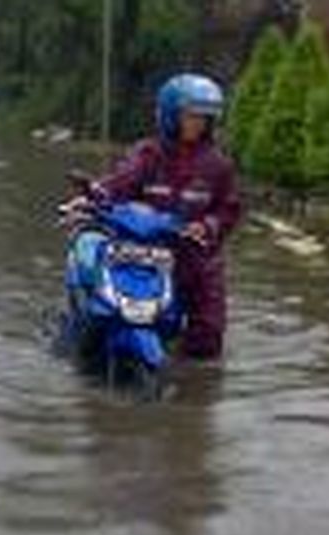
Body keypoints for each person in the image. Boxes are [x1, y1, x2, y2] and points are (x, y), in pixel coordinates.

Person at [83, 74, 242, 360]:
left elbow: (229, 209)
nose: (197, 124)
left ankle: (194, 392)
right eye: (190, 116)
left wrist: (207, 226)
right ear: (170, 115)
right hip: (147, 254)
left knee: (208, 335)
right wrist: (93, 197)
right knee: (109, 311)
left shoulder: (218, 165)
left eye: (203, 118)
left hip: (198, 258)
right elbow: (120, 184)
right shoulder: (148, 154)